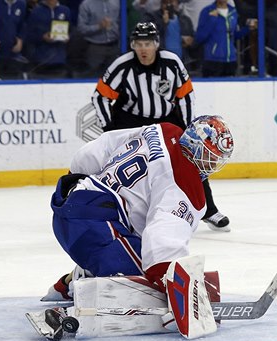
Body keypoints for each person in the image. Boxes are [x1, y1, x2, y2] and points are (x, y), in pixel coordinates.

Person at [39, 115, 233, 339]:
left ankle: (68, 283)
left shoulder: (164, 130)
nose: (211, 165)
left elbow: (103, 146)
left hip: (71, 202)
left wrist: (78, 173)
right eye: (209, 157)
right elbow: (163, 240)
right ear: (196, 147)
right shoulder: (185, 181)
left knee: (136, 252)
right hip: (96, 226)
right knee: (140, 284)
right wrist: (172, 291)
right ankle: (67, 313)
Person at [90, 22, 231, 232]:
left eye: (147, 43)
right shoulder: (122, 65)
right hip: (131, 120)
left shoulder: (172, 63)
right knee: (119, 164)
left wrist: (186, 127)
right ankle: (107, 209)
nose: (143, 49)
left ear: (156, 44)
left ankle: (209, 210)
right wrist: (109, 129)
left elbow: (186, 97)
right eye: (138, 44)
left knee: (191, 159)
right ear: (132, 45)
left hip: (166, 119)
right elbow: (100, 96)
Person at [195, 0, 255, 77]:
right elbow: (199, 37)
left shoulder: (233, 12)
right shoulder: (207, 11)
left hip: (231, 61)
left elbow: (235, 35)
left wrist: (248, 28)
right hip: (213, 60)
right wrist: (212, 20)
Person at [76, 0, 120, 77]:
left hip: (114, 46)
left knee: (115, 76)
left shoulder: (117, 2)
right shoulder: (86, 4)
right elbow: (81, 28)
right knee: (92, 76)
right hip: (95, 48)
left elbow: (120, 21)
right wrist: (99, 26)